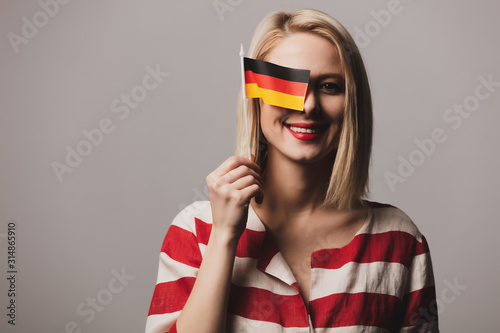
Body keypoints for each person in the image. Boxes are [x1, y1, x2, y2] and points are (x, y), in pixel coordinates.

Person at [146, 8, 439, 333]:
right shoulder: (196, 232)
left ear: (352, 103)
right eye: (286, 86)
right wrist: (224, 236)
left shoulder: (399, 239)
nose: (308, 105)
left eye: (329, 86)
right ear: (255, 98)